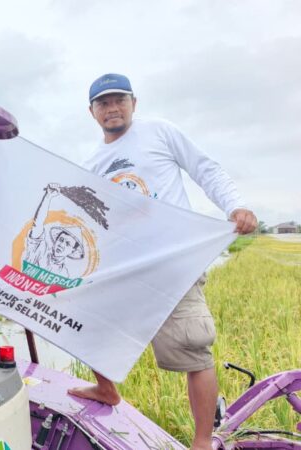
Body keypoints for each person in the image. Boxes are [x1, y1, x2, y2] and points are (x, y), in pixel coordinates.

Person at [69, 73, 257, 450]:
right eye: (103, 103)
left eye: (119, 99)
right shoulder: (91, 162)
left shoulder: (159, 132)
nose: (112, 108)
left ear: (133, 103)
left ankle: (202, 440)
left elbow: (205, 168)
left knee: (192, 346)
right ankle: (106, 389)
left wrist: (234, 205)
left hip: (174, 266)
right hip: (124, 266)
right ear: (92, 112)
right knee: (84, 323)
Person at [23, 183, 86, 278]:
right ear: (56, 240)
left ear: (72, 251)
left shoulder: (64, 274)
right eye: (61, 240)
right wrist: (48, 197)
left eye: (68, 244)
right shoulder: (40, 249)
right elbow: (38, 224)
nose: (61, 244)